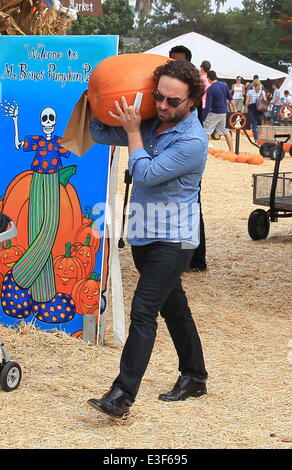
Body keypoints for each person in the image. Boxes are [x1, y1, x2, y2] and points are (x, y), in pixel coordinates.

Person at [87, 60, 208, 419]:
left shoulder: (192, 142)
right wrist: (98, 99)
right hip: (144, 234)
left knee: (143, 312)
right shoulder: (152, 121)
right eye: (158, 97)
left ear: (192, 102)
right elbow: (98, 132)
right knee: (175, 308)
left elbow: (145, 171)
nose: (163, 106)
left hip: (174, 241)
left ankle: (121, 396)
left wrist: (135, 132)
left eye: (173, 101)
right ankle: (195, 376)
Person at [169, 46, 208, 272]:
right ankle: (177, 256)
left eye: (180, 62)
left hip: (188, 149)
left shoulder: (193, 88)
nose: (176, 65)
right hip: (171, 147)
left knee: (192, 205)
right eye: (172, 61)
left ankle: (196, 258)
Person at [203, 70, 236, 152]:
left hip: (215, 112)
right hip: (223, 112)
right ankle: (231, 150)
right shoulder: (224, 85)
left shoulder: (210, 89)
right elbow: (231, 99)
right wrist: (235, 110)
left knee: (206, 131)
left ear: (209, 78)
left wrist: (203, 117)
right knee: (226, 131)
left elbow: (208, 106)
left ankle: (203, 151)